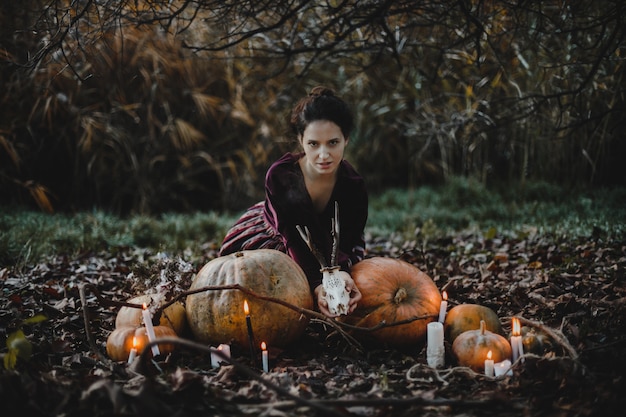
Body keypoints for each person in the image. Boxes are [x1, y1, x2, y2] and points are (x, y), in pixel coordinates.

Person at [219, 86, 368, 317]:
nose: (323, 155)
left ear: (346, 140)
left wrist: (342, 273)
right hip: (281, 239)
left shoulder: (353, 186)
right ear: (301, 140)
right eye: (313, 144)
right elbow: (293, 238)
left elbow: (347, 239)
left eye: (333, 143)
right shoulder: (281, 177)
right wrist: (317, 284)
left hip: (332, 248)